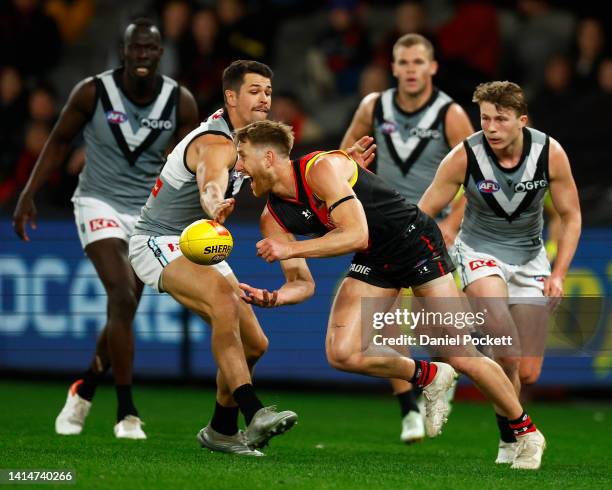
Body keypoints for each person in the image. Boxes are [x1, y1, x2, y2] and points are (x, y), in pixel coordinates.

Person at [234, 119, 547, 470]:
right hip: (376, 257)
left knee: (461, 354)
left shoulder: (320, 168)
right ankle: (429, 375)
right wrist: (274, 297)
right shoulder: (272, 218)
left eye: (242, 156)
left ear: (270, 157)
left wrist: (290, 251)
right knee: (342, 353)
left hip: (415, 242)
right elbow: (302, 284)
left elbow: (355, 234)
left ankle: (527, 432)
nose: (238, 167)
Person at [12, 18, 199, 439]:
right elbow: (59, 141)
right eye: (136, 48)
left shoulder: (180, 102)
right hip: (97, 200)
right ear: (123, 50)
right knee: (121, 292)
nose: (143, 56)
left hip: (150, 213)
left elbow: (194, 161)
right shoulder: (93, 91)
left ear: (161, 53)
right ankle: (127, 411)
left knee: (125, 305)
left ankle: (84, 389)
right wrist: (28, 193)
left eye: (151, 49)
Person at [128, 60, 297, 456]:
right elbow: (211, 180)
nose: (264, 98)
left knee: (256, 343)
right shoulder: (215, 142)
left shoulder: (249, 140)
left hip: (200, 241)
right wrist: (214, 202)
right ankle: (253, 412)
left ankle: (221, 430)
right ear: (231, 97)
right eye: (254, 90)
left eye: (268, 91)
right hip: (159, 240)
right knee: (223, 299)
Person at [419, 81, 580, 464]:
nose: (490, 127)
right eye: (485, 118)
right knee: (506, 350)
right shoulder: (464, 156)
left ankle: (509, 434)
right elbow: (422, 213)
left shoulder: (549, 153)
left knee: (528, 371)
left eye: (501, 119)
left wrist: (558, 274)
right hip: (478, 253)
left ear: (521, 121)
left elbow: (572, 216)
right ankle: (521, 436)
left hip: (531, 260)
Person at [341, 32, 474, 443]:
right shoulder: (374, 106)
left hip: (433, 226)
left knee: (436, 324)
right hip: (384, 225)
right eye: (404, 62)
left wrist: (451, 224)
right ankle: (408, 409)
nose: (411, 70)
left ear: (432, 67)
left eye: (419, 62)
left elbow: (478, 171)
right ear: (393, 67)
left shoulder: (449, 113)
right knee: (383, 320)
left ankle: (439, 377)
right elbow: (340, 159)